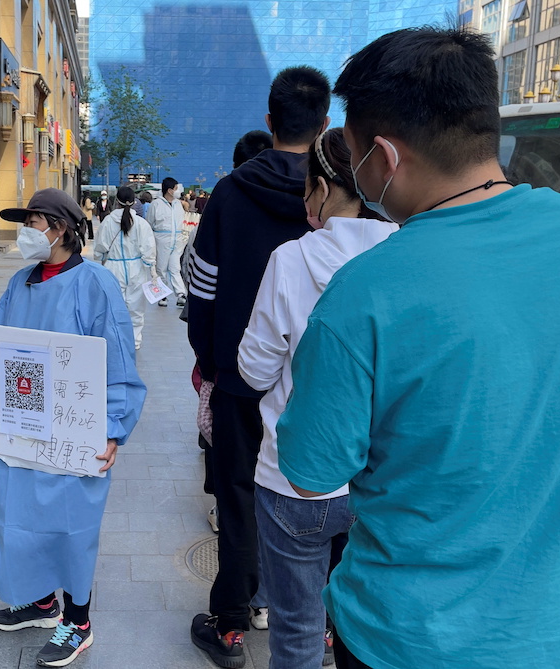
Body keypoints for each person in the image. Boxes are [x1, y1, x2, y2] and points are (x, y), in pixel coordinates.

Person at [276, 27, 560, 669]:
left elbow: (311, 469)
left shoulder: (364, 293)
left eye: (351, 155)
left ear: (384, 157)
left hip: (408, 638)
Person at [0, 188, 146, 668]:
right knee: (20, 518)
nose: (26, 233)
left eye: (33, 222)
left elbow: (118, 359)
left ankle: (77, 621)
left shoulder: (95, 283)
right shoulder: (21, 282)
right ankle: (42, 602)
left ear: (59, 229)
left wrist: (112, 428)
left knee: (70, 525)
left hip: (73, 432)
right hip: (22, 430)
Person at [187, 65, 330, 669]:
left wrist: (211, 363)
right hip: (323, 384)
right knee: (328, 490)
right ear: (327, 124)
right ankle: (323, 627)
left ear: (270, 122)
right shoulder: (345, 199)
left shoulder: (228, 193)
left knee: (239, 496)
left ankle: (231, 627)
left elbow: (203, 293)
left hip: (241, 379)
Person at [237, 128, 397, 669]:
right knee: (363, 621)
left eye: (307, 190)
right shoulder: (400, 248)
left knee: (297, 626)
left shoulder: (291, 259)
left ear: (324, 189)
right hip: (377, 479)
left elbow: (255, 369)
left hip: (292, 478)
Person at [93, 186, 156, 349]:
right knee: (136, 309)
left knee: (114, 307)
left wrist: (100, 262)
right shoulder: (141, 224)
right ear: (134, 201)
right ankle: (135, 341)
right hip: (137, 268)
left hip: (113, 267)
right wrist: (152, 270)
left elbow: (100, 248)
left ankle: (115, 340)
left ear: (116, 201)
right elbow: (148, 250)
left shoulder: (107, 222)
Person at [145, 177, 186, 307]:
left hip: (176, 239)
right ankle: (162, 295)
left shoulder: (178, 204)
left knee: (175, 268)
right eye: (175, 189)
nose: (177, 191)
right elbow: (149, 223)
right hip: (161, 239)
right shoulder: (156, 204)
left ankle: (180, 294)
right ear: (169, 190)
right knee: (161, 269)